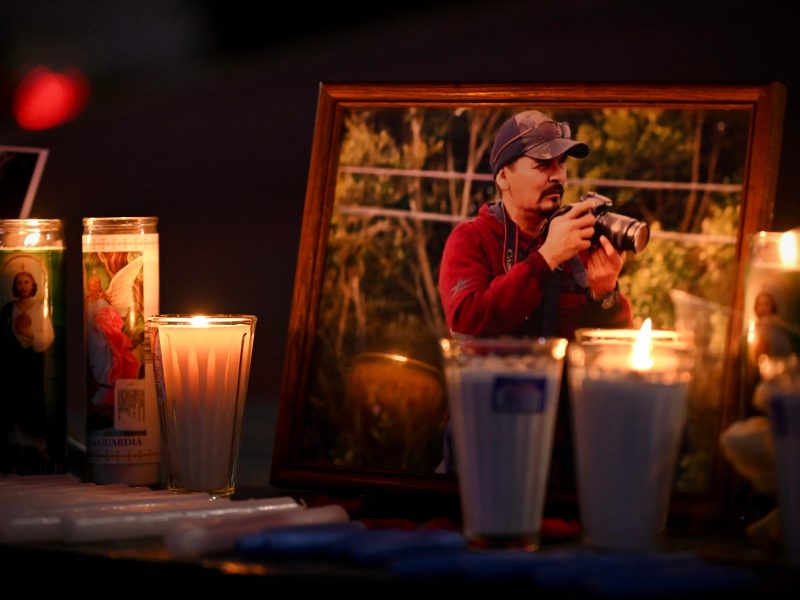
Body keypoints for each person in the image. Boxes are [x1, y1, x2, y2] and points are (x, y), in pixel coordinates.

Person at [439, 109, 632, 338]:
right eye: (543, 164)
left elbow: (612, 346)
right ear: (503, 177)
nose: (558, 175)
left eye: (561, 163)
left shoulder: (574, 241)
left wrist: (606, 294)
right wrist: (547, 258)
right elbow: (466, 321)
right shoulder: (471, 239)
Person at [0, 269, 54, 465]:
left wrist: (30, 334)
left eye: (27, 282)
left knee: (33, 399)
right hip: (12, 362)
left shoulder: (40, 309)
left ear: (33, 285)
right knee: (13, 399)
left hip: (32, 363)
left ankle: (37, 445)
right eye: (20, 282)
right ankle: (16, 444)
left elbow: (47, 337)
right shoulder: (8, 309)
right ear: (15, 286)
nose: (23, 286)